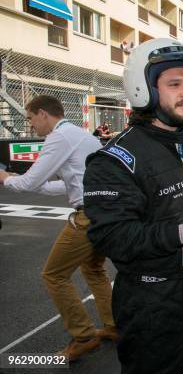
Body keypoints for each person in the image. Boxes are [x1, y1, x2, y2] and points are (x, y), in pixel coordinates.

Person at [82, 38, 183, 374]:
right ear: (144, 88)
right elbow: (113, 238)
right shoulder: (115, 160)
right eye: (174, 84)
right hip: (149, 302)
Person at [0, 95, 116, 361]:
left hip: (87, 216)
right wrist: (23, 181)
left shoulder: (58, 138)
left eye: (30, 118)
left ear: (43, 113)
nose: (30, 126)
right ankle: (112, 325)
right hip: (102, 211)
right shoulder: (81, 135)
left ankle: (84, 336)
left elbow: (28, 184)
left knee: (54, 275)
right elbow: (69, 185)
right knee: (94, 269)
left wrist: (7, 178)